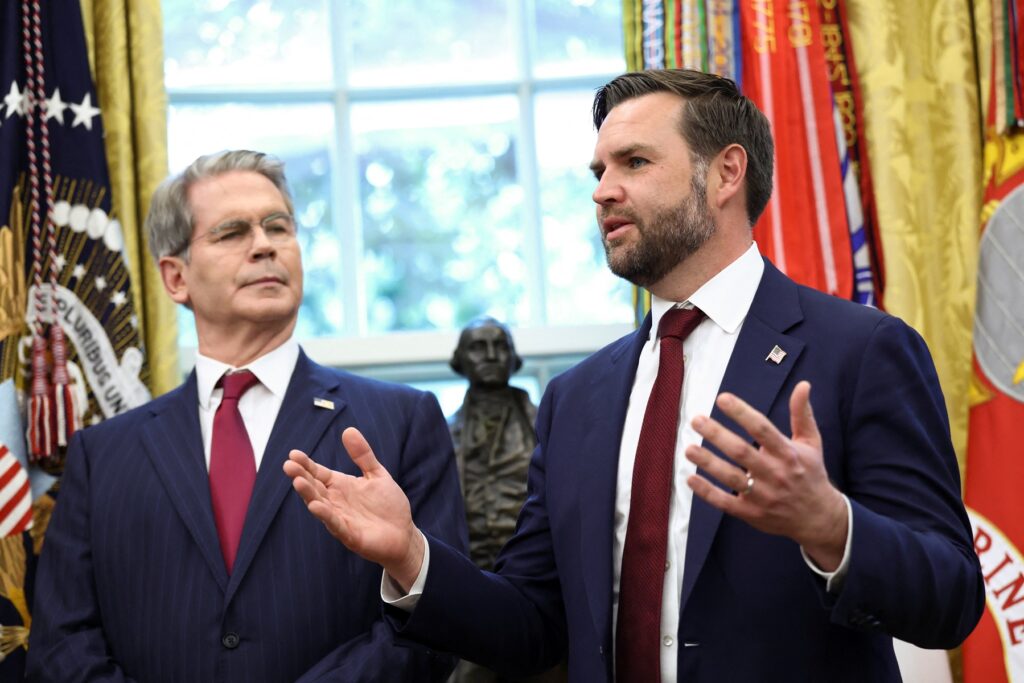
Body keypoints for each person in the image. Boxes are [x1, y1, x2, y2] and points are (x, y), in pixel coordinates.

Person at [283, 70, 984, 683]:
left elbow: (951, 598)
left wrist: (832, 527)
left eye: (635, 162)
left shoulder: (860, 351)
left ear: (726, 173)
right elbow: (534, 626)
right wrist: (413, 556)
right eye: (598, 172)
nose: (603, 192)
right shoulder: (576, 397)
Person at [27, 150, 467, 682]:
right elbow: (61, 646)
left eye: (278, 226)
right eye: (232, 232)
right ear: (176, 278)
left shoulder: (402, 422)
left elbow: (439, 620)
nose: (264, 245)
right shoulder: (102, 457)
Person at [448, 316, 537, 570]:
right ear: (459, 359)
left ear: (514, 357)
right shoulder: (442, 433)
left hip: (535, 569)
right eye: (477, 347)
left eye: (500, 346)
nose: (490, 356)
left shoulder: (545, 424)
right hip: (469, 569)